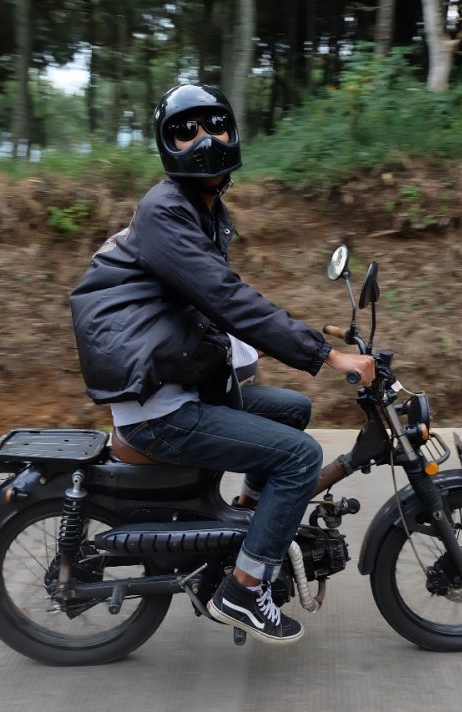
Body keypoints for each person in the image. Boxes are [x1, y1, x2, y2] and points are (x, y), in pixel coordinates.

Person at [69, 84, 375, 645]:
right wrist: (327, 355)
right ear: (167, 145)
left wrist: (271, 344)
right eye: (186, 131)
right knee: (300, 457)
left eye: (215, 125)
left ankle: (247, 519)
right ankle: (244, 588)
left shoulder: (203, 210)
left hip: (177, 384)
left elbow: (216, 300)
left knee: (292, 410)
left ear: (234, 132)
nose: (204, 139)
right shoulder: (165, 211)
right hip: (159, 407)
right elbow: (228, 299)